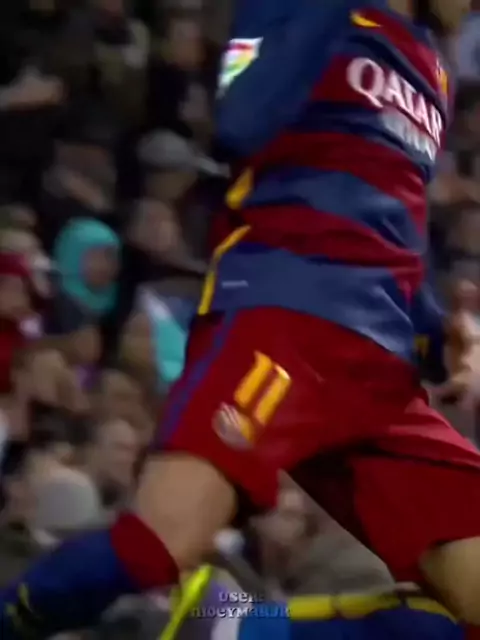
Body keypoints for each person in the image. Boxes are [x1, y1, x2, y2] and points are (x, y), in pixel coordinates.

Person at [2, 0, 480, 637]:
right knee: (158, 544)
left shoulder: (432, 68)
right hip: (285, 318)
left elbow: (389, 224)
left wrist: (437, 334)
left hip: (380, 371)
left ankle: (238, 629)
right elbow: (240, 124)